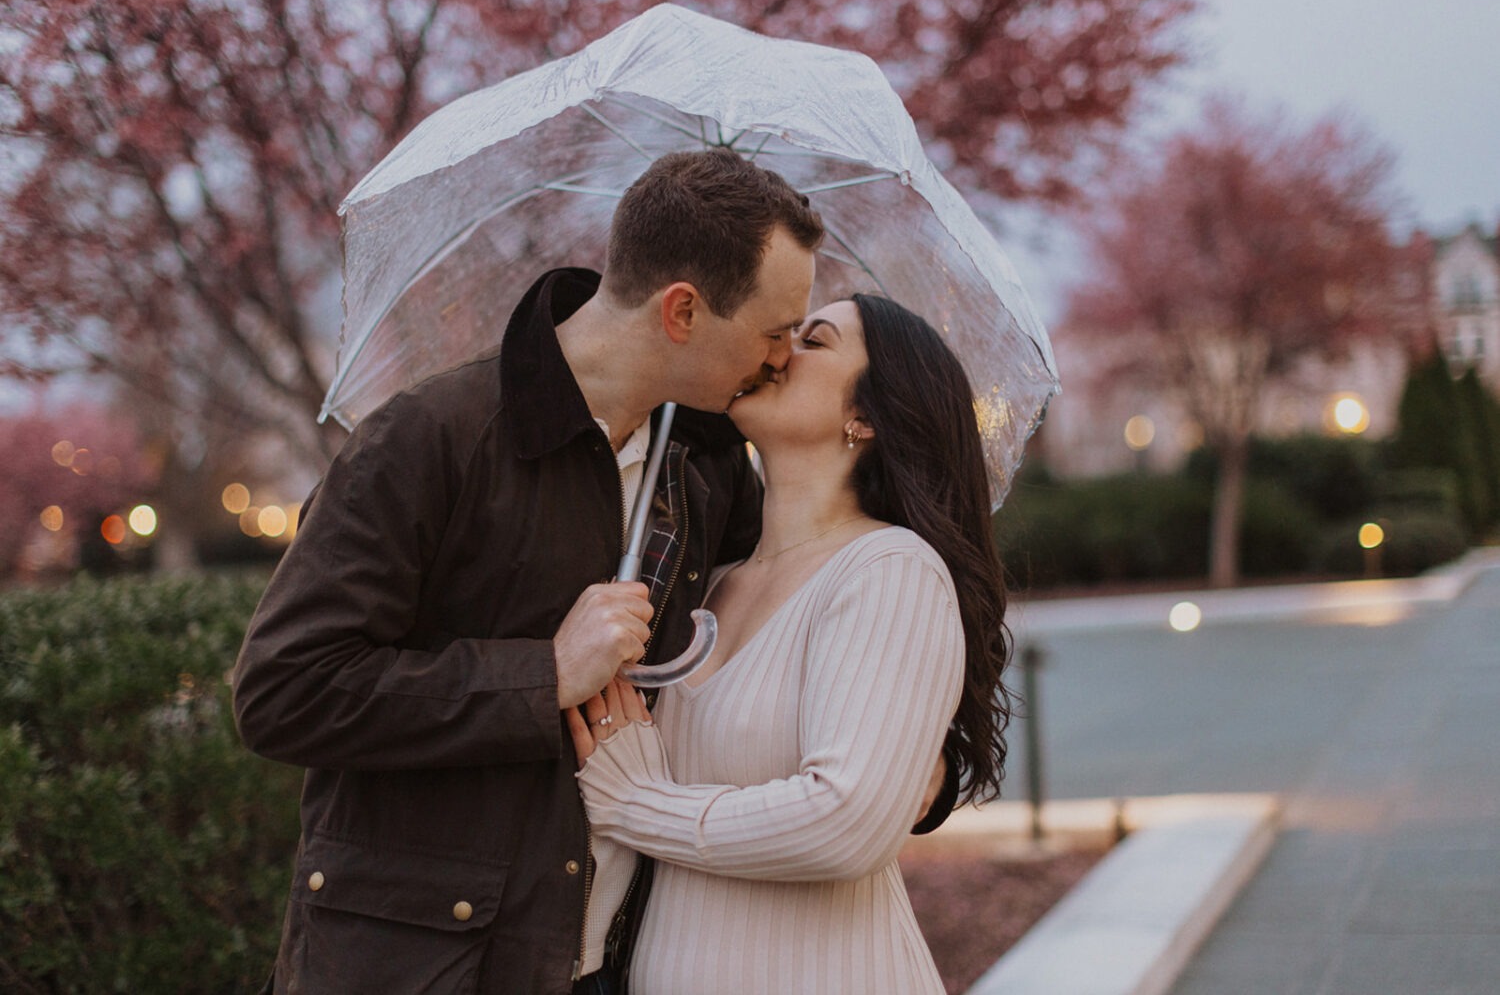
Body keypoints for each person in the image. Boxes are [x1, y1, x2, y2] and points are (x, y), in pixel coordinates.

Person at [231, 148, 827, 994]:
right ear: (683, 311)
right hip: (422, 966)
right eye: (772, 333)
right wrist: (540, 675)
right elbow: (283, 691)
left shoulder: (702, 465)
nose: (780, 360)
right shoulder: (428, 439)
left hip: (602, 959)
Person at [568, 294, 1013, 994]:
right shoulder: (712, 585)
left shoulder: (890, 570)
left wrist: (636, 807)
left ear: (864, 416)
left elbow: (845, 822)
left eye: (815, 340)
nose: (778, 350)